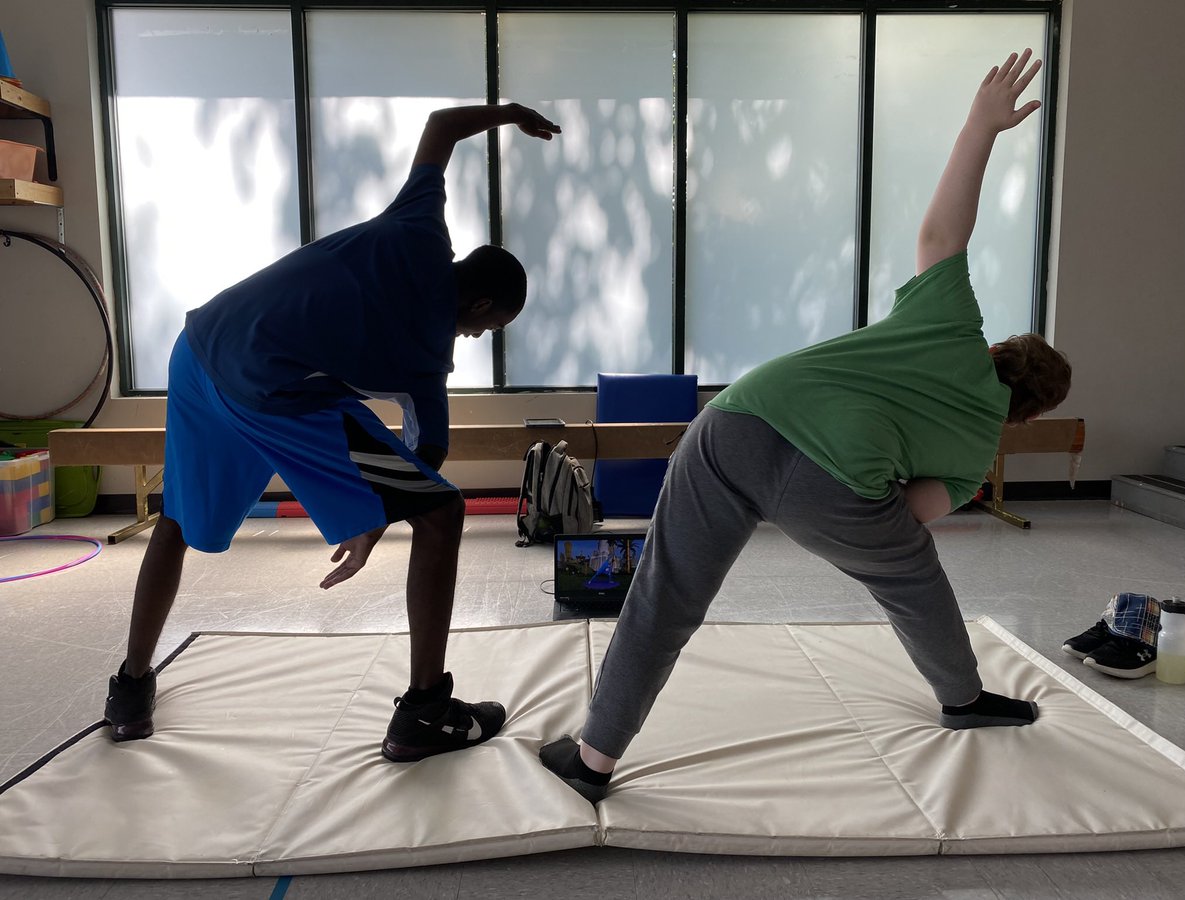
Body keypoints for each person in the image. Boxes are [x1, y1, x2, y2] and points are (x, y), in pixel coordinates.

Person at [540, 50, 1071, 802]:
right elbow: (910, 519)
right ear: (1029, 412)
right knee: (912, 575)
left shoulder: (952, 325)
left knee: (667, 591)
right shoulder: (976, 453)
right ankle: (963, 698)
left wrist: (981, 124)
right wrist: (841, 502)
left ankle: (592, 759)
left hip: (738, 424)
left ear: (1002, 347)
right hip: (839, 487)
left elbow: (940, 234)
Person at [103, 102, 561, 763]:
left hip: (201, 349)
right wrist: (378, 514)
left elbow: (440, 127)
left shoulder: (419, 224)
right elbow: (428, 460)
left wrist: (509, 114)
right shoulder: (427, 359)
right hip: (268, 388)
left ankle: (130, 688)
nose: (476, 336)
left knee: (175, 516)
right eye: (487, 328)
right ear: (481, 305)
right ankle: (425, 710)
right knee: (444, 513)